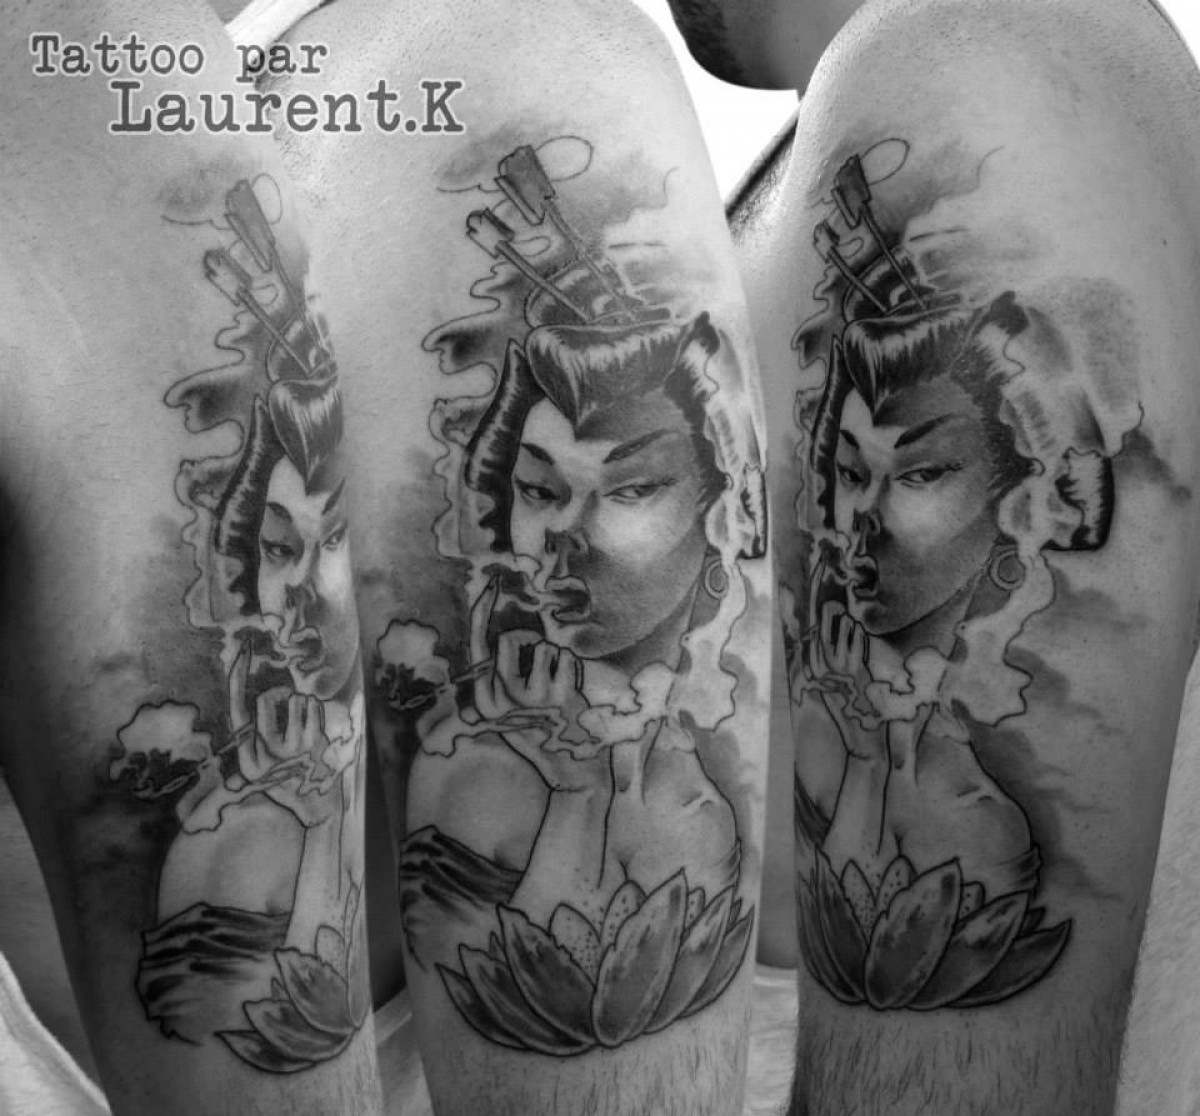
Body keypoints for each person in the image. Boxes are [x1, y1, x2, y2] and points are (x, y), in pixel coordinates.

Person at [664, 0, 1200, 1110]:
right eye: (845, 472)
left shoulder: (994, 59)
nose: (854, 523)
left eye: (915, 475)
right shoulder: (861, 130)